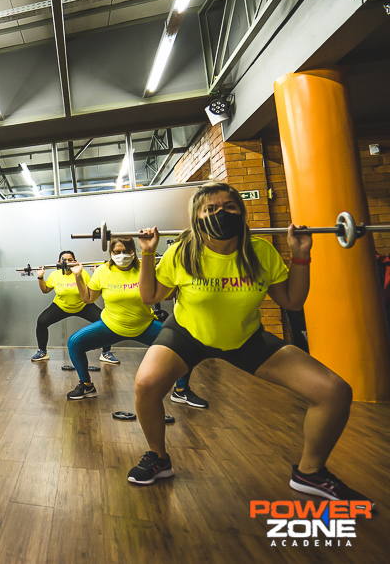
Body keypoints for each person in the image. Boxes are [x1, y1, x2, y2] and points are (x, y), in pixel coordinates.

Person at [128, 183, 367, 502]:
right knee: (145, 384)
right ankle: (158, 457)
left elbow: (293, 302)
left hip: (245, 337)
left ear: (242, 211)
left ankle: (310, 472)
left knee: (334, 392)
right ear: (196, 217)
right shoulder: (183, 252)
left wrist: (300, 255)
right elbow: (149, 297)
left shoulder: (261, 252)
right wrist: (146, 252)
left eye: (229, 206)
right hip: (187, 334)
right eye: (210, 209)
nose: (220, 213)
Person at [64, 238, 207, 408]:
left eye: (126, 251)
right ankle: (86, 385)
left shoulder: (144, 268)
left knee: (184, 345)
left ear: (134, 251)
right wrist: (78, 275)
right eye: (117, 252)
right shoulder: (102, 271)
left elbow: (165, 294)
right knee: (74, 343)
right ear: (110, 253)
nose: (121, 255)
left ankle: (181, 390)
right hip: (111, 326)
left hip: (144, 326)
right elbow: (88, 298)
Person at [32, 250, 117, 364]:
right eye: (64, 260)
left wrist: (97, 275)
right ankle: (42, 352)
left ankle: (106, 353)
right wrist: (40, 278)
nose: (67, 262)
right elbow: (45, 290)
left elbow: (92, 291)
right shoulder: (55, 275)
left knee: (106, 321)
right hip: (61, 305)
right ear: (59, 262)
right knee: (41, 321)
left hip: (83, 305)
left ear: (75, 262)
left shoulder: (82, 273)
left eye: (70, 260)